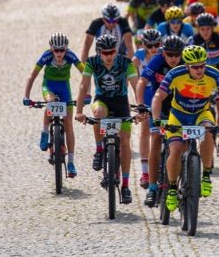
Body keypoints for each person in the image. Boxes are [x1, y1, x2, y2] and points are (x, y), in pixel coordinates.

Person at [151, 45, 219, 211]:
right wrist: (157, 119)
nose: (199, 69)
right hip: (179, 115)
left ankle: (206, 175)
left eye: (202, 65)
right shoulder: (175, 73)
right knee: (176, 150)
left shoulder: (213, 74)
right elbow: (158, 96)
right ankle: (172, 188)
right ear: (187, 65)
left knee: (209, 132)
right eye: (195, 66)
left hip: (201, 113)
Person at [75, 34, 139, 204]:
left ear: (116, 51)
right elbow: (83, 85)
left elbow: (135, 84)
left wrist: (140, 107)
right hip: (102, 100)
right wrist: (79, 110)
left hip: (121, 102)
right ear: (99, 52)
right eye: (105, 53)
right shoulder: (92, 62)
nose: (109, 56)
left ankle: (125, 186)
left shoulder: (126, 62)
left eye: (112, 52)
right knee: (97, 115)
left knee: (125, 142)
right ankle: (99, 150)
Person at [23, 33, 84, 177]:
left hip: (64, 89)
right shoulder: (46, 56)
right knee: (50, 103)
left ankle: (71, 162)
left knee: (68, 125)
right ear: (51, 49)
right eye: (56, 50)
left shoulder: (70, 56)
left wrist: (86, 93)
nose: (59, 53)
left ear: (66, 49)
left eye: (62, 50)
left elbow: (85, 72)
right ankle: (45, 132)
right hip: (48, 86)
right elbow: (32, 76)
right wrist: (26, 96)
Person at [135, 36, 186, 207]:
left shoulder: (186, 62)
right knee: (155, 139)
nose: (173, 58)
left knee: (182, 145)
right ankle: (152, 188)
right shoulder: (157, 60)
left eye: (176, 55)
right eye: (169, 54)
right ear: (164, 53)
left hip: (180, 108)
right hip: (161, 105)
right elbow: (142, 81)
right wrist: (141, 104)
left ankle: (184, 176)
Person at [189, 13, 219, 156]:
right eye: (202, 29)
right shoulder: (193, 40)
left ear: (213, 28)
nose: (205, 32)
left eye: (208, 29)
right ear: (198, 29)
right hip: (199, 79)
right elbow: (186, 62)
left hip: (218, 77)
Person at [132, 29, 162, 190]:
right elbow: (129, 72)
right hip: (146, 92)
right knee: (145, 130)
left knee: (159, 129)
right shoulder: (139, 56)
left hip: (161, 92)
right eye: (149, 46)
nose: (153, 49)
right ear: (143, 45)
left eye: (156, 45)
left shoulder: (163, 54)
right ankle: (145, 172)